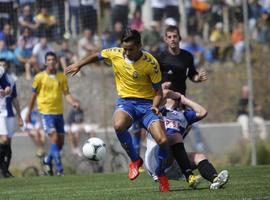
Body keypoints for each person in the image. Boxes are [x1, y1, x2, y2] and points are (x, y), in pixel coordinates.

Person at [65, 29, 170, 192]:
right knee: (119, 125)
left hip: (147, 106)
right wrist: (79, 64)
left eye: (131, 49)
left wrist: (155, 106)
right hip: (126, 102)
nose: (127, 52)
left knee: (163, 141)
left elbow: (159, 92)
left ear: (139, 46)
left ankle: (160, 173)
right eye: (124, 48)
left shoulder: (151, 63)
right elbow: (97, 55)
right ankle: (135, 160)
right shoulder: (116, 53)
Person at [145, 93, 229, 190]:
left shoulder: (183, 115)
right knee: (175, 136)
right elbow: (162, 93)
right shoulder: (158, 110)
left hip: (173, 162)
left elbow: (203, 112)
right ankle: (189, 175)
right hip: (155, 159)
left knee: (199, 157)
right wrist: (172, 94)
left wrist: (184, 99)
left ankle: (215, 180)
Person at [25, 51, 80, 176]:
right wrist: (28, 112)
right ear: (45, 62)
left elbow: (66, 94)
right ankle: (60, 170)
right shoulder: (39, 77)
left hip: (59, 113)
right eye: (48, 60)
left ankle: (47, 160)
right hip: (46, 113)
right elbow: (33, 96)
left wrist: (73, 102)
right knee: (54, 139)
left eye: (53, 60)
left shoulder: (61, 77)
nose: (51, 62)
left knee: (60, 143)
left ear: (56, 62)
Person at [157, 25, 208, 152]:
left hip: (181, 100)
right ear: (165, 39)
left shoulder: (187, 57)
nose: (172, 39)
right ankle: (163, 156)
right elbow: (152, 78)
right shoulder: (160, 58)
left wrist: (198, 78)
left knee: (185, 128)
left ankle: (175, 156)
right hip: (165, 102)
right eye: (169, 37)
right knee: (166, 132)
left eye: (175, 36)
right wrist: (160, 88)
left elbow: (192, 75)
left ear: (179, 38)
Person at [0, 58, 23, 178]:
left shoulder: (10, 79)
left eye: (4, 65)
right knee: (3, 140)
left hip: (8, 113)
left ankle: (5, 170)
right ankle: (3, 169)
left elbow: (14, 98)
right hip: (0, 112)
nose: (2, 67)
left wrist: (19, 116)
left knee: (8, 142)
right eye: (1, 65)